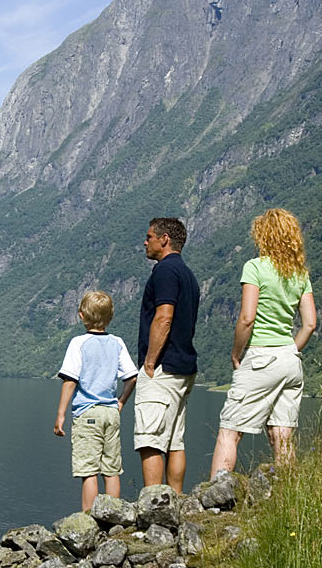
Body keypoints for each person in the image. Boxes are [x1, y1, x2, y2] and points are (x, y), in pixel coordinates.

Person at [210, 208, 317, 477]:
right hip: (290, 361)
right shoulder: (300, 274)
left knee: (230, 430)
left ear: (263, 236)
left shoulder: (255, 267)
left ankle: (213, 501)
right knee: (281, 434)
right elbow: (310, 324)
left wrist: (237, 354)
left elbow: (247, 318)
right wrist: (291, 350)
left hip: (260, 357)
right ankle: (288, 498)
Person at [54, 290, 138, 512]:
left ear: (81, 315)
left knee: (89, 471)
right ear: (110, 316)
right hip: (111, 413)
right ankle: (114, 517)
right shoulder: (117, 343)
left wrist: (61, 414)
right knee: (111, 469)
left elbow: (70, 381)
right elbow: (132, 376)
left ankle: (89, 520)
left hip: (87, 413)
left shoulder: (78, 343)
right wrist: (120, 402)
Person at [133, 217, 200, 493]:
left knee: (150, 439)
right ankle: (176, 500)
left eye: (149, 236)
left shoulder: (164, 272)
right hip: (184, 366)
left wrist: (150, 362)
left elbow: (164, 317)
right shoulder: (188, 275)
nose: (145, 242)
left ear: (165, 240)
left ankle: (153, 507)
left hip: (163, 367)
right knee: (174, 441)